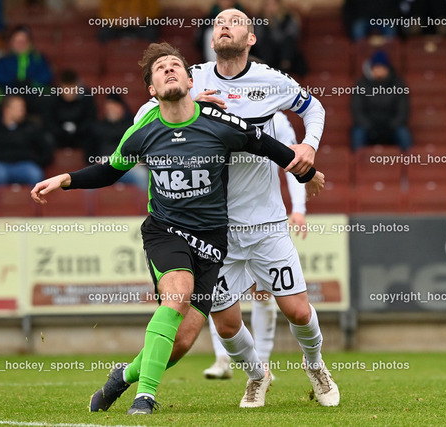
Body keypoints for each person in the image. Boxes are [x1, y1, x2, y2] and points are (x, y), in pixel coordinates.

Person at [30, 42, 324, 415]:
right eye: (160, 69)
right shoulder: (143, 131)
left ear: (189, 78)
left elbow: (268, 146)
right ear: (151, 90)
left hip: (212, 239)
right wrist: (65, 179)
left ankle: (124, 376)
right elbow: (109, 170)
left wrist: (309, 174)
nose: (169, 70)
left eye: (175, 65)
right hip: (165, 230)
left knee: (182, 341)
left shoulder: (221, 123)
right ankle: (144, 397)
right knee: (177, 295)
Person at [97, 8, 339, 409]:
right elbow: (145, 115)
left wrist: (308, 148)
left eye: (237, 21)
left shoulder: (271, 81)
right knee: (226, 323)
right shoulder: (191, 78)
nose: (225, 25)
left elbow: (314, 108)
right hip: (215, 227)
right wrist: (186, 103)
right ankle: (257, 375)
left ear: (251, 38)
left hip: (264, 221)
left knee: (296, 311)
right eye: (220, 22)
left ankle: (315, 364)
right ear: (212, 39)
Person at [203, 110, 308, 380]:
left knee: (263, 294)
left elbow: (293, 160)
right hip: (221, 224)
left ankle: (262, 360)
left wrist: (298, 208)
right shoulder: (212, 112)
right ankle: (222, 358)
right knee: (220, 297)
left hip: (263, 224)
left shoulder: (276, 119)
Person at [0, 95, 53, 186]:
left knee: (34, 174)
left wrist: (37, 162)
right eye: (18, 107)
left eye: (23, 107)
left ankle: (35, 200)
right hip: (1, 165)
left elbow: (46, 149)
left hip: (25, 165)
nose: (22, 110)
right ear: (6, 110)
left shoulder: (31, 128)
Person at [351, 50, 412, 151]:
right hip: (369, 126)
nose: (379, 70)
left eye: (382, 67)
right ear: (371, 69)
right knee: (358, 134)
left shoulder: (398, 84)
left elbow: (403, 110)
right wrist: (370, 126)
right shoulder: (361, 84)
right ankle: (357, 163)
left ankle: (409, 164)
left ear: (387, 69)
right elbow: (357, 110)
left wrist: (389, 126)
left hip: (391, 126)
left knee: (404, 134)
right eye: (376, 67)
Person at [88, 93, 149, 192]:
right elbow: (90, 150)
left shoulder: (133, 125)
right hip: (105, 164)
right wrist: (95, 160)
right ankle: (89, 208)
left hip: (129, 165)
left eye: (114, 107)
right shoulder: (97, 127)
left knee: (142, 175)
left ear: (121, 107)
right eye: (109, 108)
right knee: (90, 180)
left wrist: (139, 160)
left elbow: (144, 146)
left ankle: (147, 207)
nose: (111, 111)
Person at [0, 25, 53, 115]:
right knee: (8, 103)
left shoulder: (38, 58)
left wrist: (31, 84)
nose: (20, 44)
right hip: (11, 94)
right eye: (17, 41)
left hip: (33, 94)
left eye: (23, 41)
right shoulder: (4, 60)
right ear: (11, 42)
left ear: (29, 42)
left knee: (47, 100)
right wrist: (15, 83)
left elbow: (47, 76)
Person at [44, 69, 96, 154]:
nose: (69, 92)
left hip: (81, 135)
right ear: (60, 87)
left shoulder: (87, 97)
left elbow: (90, 120)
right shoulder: (51, 98)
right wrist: (61, 132)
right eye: (66, 89)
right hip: (58, 136)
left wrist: (77, 130)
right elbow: (48, 121)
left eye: (72, 88)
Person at [252, 0, 307, 76]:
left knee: (288, 41)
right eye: (268, 5)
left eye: (274, 5)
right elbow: (258, 39)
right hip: (267, 54)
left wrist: (275, 22)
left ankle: (284, 66)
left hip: (284, 52)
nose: (271, 8)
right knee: (265, 43)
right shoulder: (260, 20)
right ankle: (268, 68)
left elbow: (293, 35)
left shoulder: (288, 18)